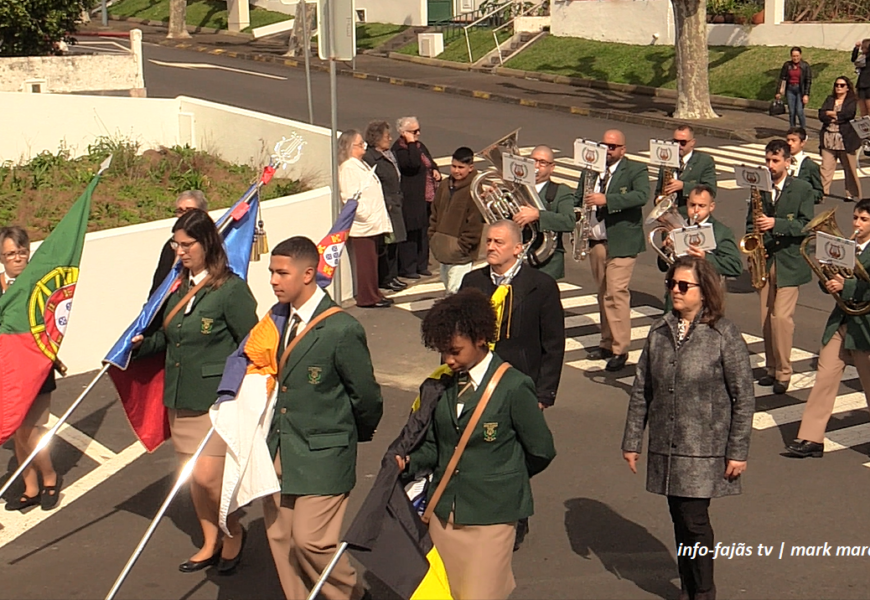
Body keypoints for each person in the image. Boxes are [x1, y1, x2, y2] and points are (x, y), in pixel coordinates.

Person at [219, 236, 382, 600]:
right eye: (271, 272)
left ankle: (352, 594)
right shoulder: (278, 322)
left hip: (324, 453)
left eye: (282, 273)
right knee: (279, 537)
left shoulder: (340, 329)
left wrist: (345, 434)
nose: (274, 280)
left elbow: (367, 397)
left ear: (309, 274)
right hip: (280, 451)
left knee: (312, 541)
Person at [396, 288, 556, 600]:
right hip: (444, 516)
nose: (447, 359)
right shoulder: (443, 386)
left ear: (480, 338)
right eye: (443, 351)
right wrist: (410, 462)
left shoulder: (514, 387)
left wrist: (502, 477)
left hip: (491, 519)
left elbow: (541, 450)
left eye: (455, 351)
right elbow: (437, 445)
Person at [132, 209, 258, 574]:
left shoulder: (230, 290)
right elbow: (168, 337)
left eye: (187, 245)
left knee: (209, 478)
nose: (180, 251)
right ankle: (209, 539)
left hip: (215, 401)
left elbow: (250, 344)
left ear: (207, 244)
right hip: (179, 399)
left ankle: (232, 530)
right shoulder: (175, 288)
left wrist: (241, 393)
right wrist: (140, 344)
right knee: (192, 479)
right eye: (176, 244)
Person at [622, 256, 754, 600]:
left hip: (704, 448)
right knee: (680, 520)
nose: (675, 291)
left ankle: (703, 591)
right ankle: (689, 587)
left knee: (694, 521)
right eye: (672, 284)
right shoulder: (659, 330)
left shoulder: (722, 333)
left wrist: (738, 452)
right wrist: (632, 441)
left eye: (684, 286)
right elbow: (642, 390)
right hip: (667, 445)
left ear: (704, 291)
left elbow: (744, 396)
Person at [459, 219, 565, 550]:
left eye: (499, 243)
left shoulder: (541, 286)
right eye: (488, 241)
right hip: (476, 382)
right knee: (479, 449)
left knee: (516, 456)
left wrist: (544, 392)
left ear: (518, 248)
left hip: (520, 385)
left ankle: (516, 516)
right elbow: (458, 335)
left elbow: (553, 343)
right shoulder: (472, 282)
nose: (491, 247)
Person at [786, 199, 870, 458]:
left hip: (865, 328)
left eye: (864, 219)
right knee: (824, 379)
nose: (857, 223)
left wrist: (844, 286)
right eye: (856, 217)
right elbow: (829, 284)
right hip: (841, 321)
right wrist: (827, 278)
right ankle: (811, 438)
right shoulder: (847, 247)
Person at [573, 129, 651, 372]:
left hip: (622, 241)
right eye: (604, 145)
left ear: (622, 150)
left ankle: (620, 348)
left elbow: (641, 196)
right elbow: (578, 197)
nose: (607, 150)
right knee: (603, 292)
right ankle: (606, 342)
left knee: (616, 293)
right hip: (597, 240)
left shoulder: (635, 169)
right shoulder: (590, 169)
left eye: (613, 147)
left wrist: (607, 200)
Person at [0, 226, 62, 512]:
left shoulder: (39, 286)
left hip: (36, 368)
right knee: (16, 430)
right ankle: (30, 486)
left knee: (30, 429)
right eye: (10, 253)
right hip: (6, 371)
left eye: (21, 252)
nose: (17, 258)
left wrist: (55, 357)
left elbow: (51, 325)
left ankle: (49, 476)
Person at [746, 139, 814, 395]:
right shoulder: (760, 188)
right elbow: (750, 220)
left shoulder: (802, 189)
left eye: (775, 161)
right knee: (766, 320)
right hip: (764, 259)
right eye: (767, 160)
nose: (770, 166)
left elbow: (806, 225)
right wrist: (751, 245)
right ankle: (771, 368)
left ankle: (784, 373)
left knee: (781, 319)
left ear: (788, 161)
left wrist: (777, 224)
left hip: (789, 262)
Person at [655, 185, 742, 312]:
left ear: (711, 207)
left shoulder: (721, 232)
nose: (696, 210)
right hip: (676, 297)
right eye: (692, 205)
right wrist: (666, 249)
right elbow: (662, 266)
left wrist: (705, 257)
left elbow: (735, 266)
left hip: (705, 299)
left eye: (701, 206)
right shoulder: (676, 228)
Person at [338, 129, 393, 308]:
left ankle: (374, 293)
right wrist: (366, 215)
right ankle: (367, 297)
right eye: (360, 144)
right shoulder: (348, 168)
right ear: (350, 147)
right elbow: (349, 196)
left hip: (371, 222)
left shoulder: (360, 164)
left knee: (372, 261)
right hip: (363, 225)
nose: (364, 146)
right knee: (366, 263)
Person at [512, 145, 576, 280]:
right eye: (533, 161)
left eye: (542, 163)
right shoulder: (516, 189)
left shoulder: (560, 191)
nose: (536, 166)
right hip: (516, 258)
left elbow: (569, 221)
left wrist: (538, 215)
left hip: (547, 262)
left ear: (552, 167)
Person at [428, 147, 483, 294]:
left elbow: (475, 223)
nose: (456, 170)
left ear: (470, 167)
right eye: (454, 166)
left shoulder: (475, 189)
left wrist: (462, 246)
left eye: (461, 167)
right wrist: (433, 236)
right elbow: (435, 211)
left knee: (455, 292)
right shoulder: (444, 185)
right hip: (442, 248)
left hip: (461, 254)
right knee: (448, 288)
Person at [363, 120, 408, 293]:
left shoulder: (388, 154)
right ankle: (386, 278)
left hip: (395, 203)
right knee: (388, 242)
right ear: (376, 138)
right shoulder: (370, 157)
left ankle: (393, 276)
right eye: (385, 136)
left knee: (395, 242)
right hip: (386, 206)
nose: (389, 138)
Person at [393, 116, 440, 279]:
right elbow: (412, 164)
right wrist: (411, 143)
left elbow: (429, 162)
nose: (418, 134)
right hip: (411, 197)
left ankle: (422, 264)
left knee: (423, 231)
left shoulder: (420, 146)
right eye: (414, 131)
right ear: (403, 133)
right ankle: (409, 267)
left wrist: (435, 170)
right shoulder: (400, 149)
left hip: (426, 196)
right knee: (411, 233)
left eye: (418, 130)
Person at [150, 190, 208, 296]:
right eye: (180, 211)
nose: (184, 215)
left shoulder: (214, 244)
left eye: (189, 210)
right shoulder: (170, 246)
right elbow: (158, 285)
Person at [818, 76, 862, 202]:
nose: (838, 87)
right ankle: (822, 193)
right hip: (828, 138)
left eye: (842, 85)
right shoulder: (830, 99)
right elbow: (821, 114)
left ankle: (851, 193)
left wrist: (831, 113)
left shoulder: (851, 101)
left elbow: (848, 114)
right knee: (826, 168)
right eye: (837, 85)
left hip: (845, 139)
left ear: (847, 88)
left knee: (849, 168)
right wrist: (832, 115)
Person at [654, 125, 718, 208]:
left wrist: (683, 186)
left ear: (692, 142)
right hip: (669, 213)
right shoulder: (667, 160)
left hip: (690, 212)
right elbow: (659, 190)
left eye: (683, 142)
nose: (678, 146)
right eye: (675, 141)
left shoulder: (704, 161)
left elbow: (711, 191)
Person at [785, 126, 824, 204]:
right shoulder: (781, 161)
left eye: (793, 140)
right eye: (788, 140)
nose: (789, 143)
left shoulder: (810, 166)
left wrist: (801, 195)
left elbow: (819, 193)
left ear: (802, 143)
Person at [776, 47, 812, 129]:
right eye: (793, 56)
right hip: (790, 89)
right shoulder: (787, 65)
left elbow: (808, 81)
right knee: (792, 112)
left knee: (799, 111)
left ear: (800, 55)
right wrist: (778, 91)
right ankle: (792, 129)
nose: (795, 58)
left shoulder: (805, 66)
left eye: (797, 56)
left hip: (800, 90)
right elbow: (782, 78)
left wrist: (806, 94)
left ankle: (803, 130)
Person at [851, 39, 870, 117]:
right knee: (863, 111)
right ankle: (865, 127)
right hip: (861, 85)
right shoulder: (862, 57)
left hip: (869, 86)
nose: (862, 48)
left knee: (869, 109)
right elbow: (853, 59)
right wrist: (856, 48)